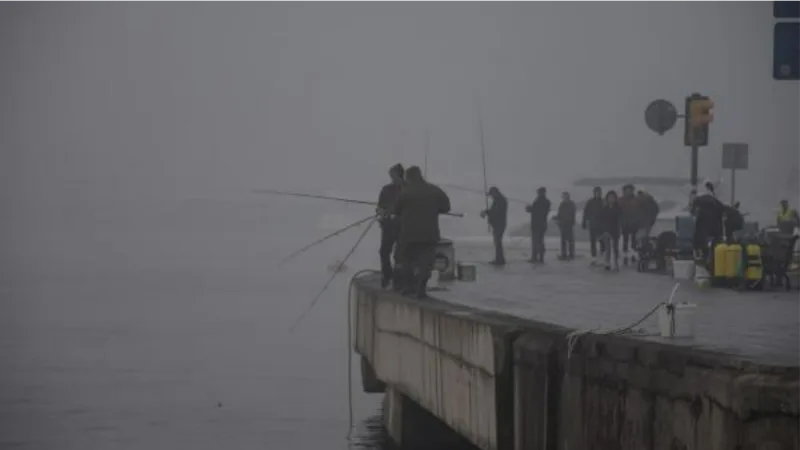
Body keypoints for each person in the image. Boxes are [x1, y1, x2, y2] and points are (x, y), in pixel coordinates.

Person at [394, 166, 451, 299]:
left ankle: (408, 288)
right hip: (429, 234)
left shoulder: (405, 193)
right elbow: (446, 207)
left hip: (409, 234)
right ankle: (421, 290)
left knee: (407, 260)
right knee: (426, 263)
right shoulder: (434, 190)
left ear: (408, 178)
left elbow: (396, 210)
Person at [376, 164, 405, 288]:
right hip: (388, 227)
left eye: (394, 175)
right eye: (391, 176)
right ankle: (387, 275)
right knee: (384, 252)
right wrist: (381, 213)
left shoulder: (408, 189)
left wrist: (394, 210)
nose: (392, 178)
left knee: (400, 254)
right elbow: (380, 208)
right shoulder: (386, 189)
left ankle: (399, 279)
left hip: (403, 227)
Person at [691, 181, 724, 259]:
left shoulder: (698, 199)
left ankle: (700, 254)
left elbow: (693, 213)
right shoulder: (715, 200)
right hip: (714, 229)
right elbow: (722, 210)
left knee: (699, 239)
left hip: (703, 229)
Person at [480, 186, 508, 265]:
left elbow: (496, 211)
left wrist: (486, 212)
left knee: (498, 242)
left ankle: (500, 260)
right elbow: (494, 211)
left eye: (492, 194)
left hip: (499, 224)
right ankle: (499, 258)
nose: (491, 196)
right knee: (497, 242)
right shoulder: (499, 200)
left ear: (495, 193)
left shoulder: (501, 201)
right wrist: (487, 213)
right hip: (498, 224)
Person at [598, 190, 622, 271]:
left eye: (612, 197)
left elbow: (620, 219)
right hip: (606, 230)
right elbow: (601, 220)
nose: (611, 199)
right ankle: (607, 263)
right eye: (609, 197)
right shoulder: (604, 209)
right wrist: (602, 230)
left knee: (615, 247)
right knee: (607, 247)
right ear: (607, 199)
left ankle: (615, 263)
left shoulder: (618, 208)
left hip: (615, 230)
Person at [525, 187, 551, 263]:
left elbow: (536, 211)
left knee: (536, 241)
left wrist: (529, 208)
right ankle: (539, 257)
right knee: (540, 240)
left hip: (536, 224)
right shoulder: (547, 202)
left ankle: (536, 257)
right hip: (543, 224)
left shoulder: (538, 201)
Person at [618, 184, 639, 265]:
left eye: (630, 190)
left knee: (634, 241)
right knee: (625, 241)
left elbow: (641, 211)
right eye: (627, 190)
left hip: (634, 223)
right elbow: (617, 211)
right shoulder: (620, 200)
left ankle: (633, 256)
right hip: (625, 223)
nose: (628, 192)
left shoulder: (636, 200)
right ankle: (625, 256)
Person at [582, 186, 605, 258]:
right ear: (594, 193)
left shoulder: (603, 202)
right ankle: (593, 255)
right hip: (592, 224)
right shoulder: (590, 202)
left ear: (601, 193)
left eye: (599, 192)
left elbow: (607, 213)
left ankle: (602, 253)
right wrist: (584, 222)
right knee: (592, 241)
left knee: (602, 240)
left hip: (601, 224)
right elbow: (586, 213)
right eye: (596, 192)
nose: (598, 194)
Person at [555, 191, 576, 260]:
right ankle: (565, 254)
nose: (564, 198)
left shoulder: (570, 204)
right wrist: (557, 218)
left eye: (565, 196)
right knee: (564, 240)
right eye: (564, 196)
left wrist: (559, 219)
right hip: (564, 224)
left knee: (569, 240)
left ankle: (570, 254)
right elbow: (560, 214)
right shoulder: (563, 204)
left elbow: (571, 214)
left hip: (568, 224)